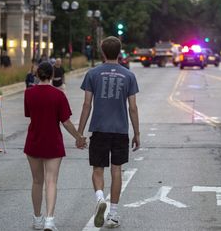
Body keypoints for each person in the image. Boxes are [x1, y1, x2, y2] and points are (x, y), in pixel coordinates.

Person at [78, 36, 140, 228]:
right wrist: (137, 133)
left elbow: (87, 104)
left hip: (99, 128)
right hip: (120, 130)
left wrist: (80, 132)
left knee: (98, 169)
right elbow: (133, 107)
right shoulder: (128, 75)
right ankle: (113, 214)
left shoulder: (93, 74)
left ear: (102, 52)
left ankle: (99, 199)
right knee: (116, 171)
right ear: (119, 52)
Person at [24, 61, 86, 231]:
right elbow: (66, 122)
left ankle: (37, 218)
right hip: (53, 142)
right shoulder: (58, 95)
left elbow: (29, 114)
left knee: (37, 181)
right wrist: (78, 137)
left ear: (37, 75)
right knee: (51, 181)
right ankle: (49, 220)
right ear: (52, 75)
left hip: (34, 141)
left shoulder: (28, 93)